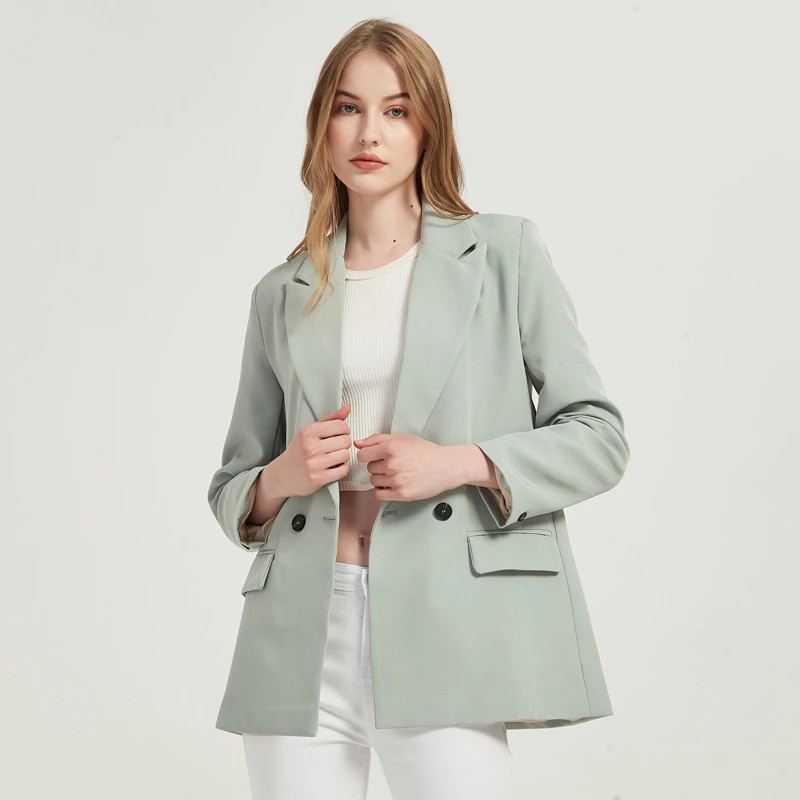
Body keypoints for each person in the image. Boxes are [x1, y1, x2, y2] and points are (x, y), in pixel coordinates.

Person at [207, 18, 629, 800]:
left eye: (396, 110)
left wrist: (462, 463)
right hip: (300, 632)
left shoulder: (502, 255)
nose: (369, 132)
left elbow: (599, 438)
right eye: (348, 107)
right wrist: (283, 476)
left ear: (428, 125)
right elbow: (233, 487)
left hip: (447, 621)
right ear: (322, 126)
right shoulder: (281, 293)